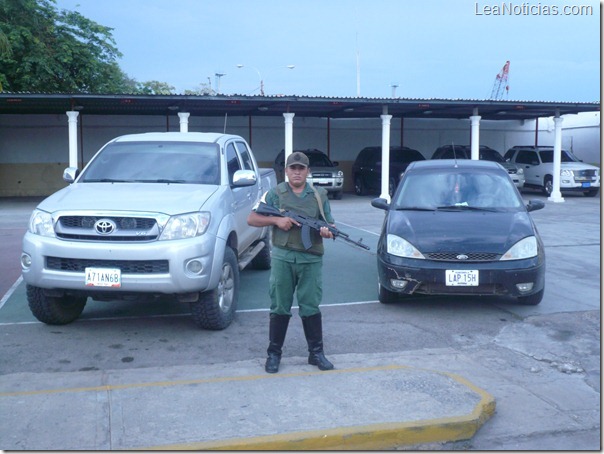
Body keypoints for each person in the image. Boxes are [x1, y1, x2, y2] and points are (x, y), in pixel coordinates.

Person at [247, 151, 335, 374]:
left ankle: (316, 353)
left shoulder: (319, 196)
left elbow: (330, 225)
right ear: (286, 171)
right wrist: (277, 220)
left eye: (301, 168)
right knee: (279, 306)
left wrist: (327, 231)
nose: (297, 172)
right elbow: (252, 218)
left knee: (310, 306)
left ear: (308, 171)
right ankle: (274, 354)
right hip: (283, 258)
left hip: (310, 259)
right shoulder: (275, 193)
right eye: (293, 168)